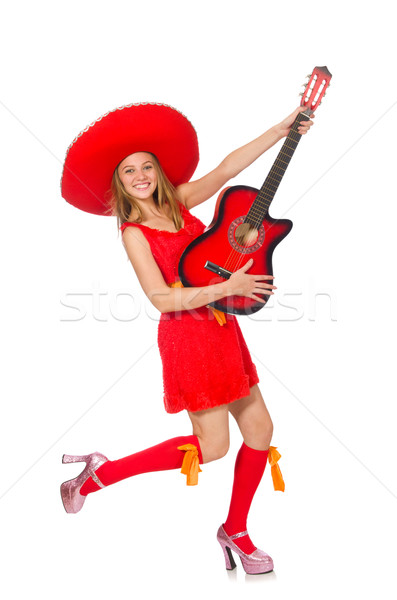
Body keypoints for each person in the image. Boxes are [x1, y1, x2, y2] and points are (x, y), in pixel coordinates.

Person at [60, 102, 313, 575]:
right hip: (188, 338)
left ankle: (235, 530)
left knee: (260, 431)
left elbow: (226, 168)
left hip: (222, 328)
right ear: (119, 182)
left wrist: (281, 129)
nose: (141, 176)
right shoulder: (134, 232)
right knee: (212, 448)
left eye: (147, 166)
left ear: (158, 170)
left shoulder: (178, 203)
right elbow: (160, 297)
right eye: (129, 170)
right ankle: (99, 475)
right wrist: (230, 287)